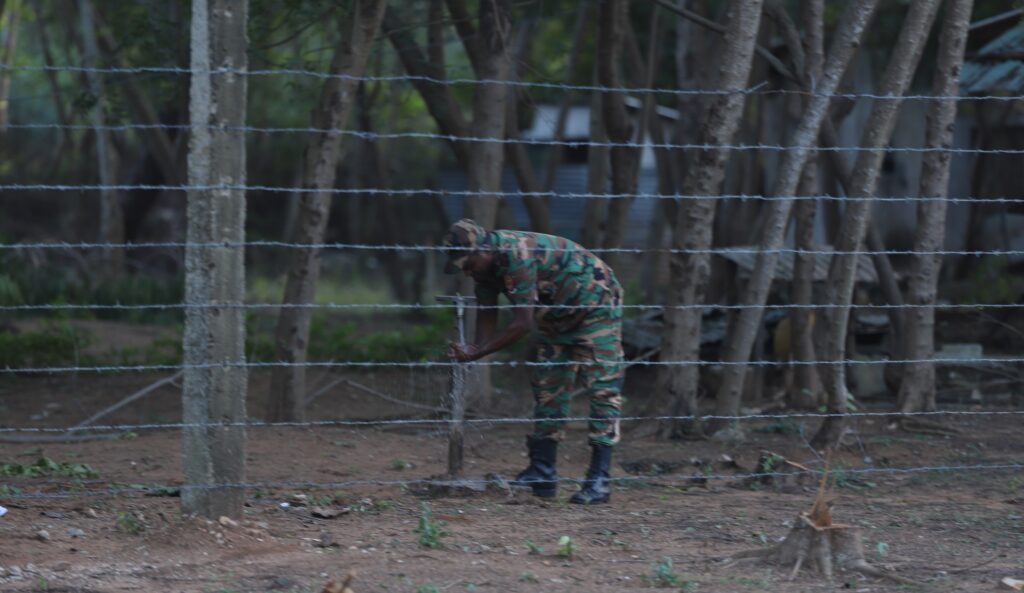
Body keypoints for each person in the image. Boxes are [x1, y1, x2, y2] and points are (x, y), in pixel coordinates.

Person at [442, 218, 625, 504]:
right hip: (555, 316)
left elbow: (522, 323)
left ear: (484, 251)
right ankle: (543, 472)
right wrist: (473, 347)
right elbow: (487, 311)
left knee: (602, 389)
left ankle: (599, 479)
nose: (465, 272)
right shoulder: (484, 271)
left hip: (593, 305)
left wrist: (479, 352)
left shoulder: (517, 255)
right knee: (547, 387)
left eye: (467, 264)